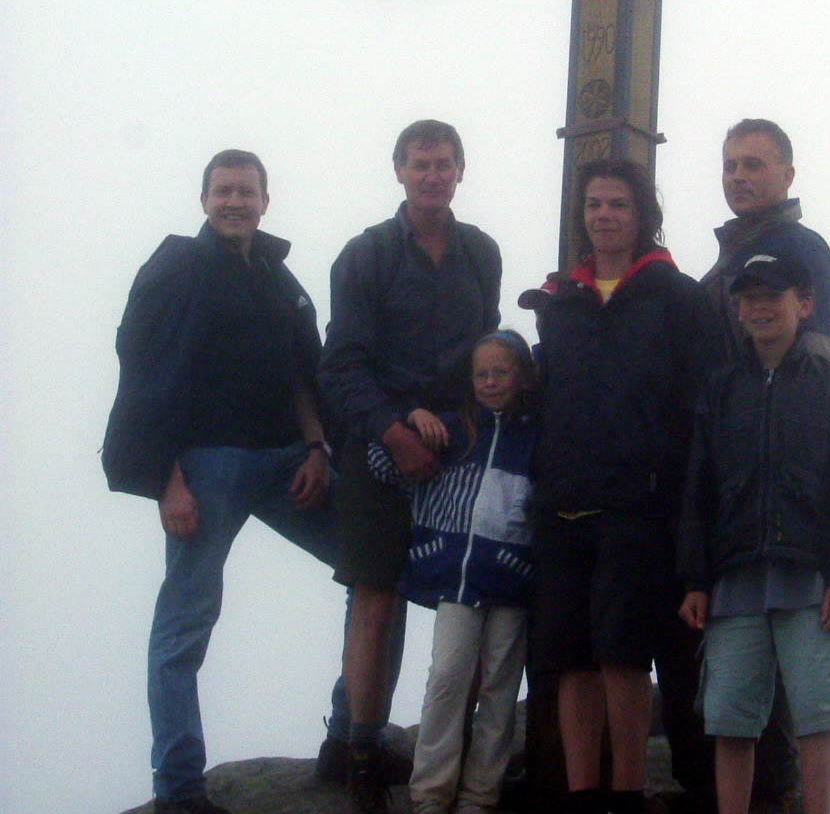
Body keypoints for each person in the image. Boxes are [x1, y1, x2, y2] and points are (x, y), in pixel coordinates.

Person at [102, 149, 339, 814]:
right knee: (184, 626)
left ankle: (354, 737)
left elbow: (302, 371)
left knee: (372, 564)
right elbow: (142, 370)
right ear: (204, 199)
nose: (235, 202)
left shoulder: (276, 275)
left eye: (246, 192)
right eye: (224, 191)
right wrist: (166, 481)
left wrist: (317, 447)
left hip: (287, 460)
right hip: (207, 467)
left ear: (266, 201)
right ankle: (179, 790)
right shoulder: (177, 266)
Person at [521, 159, 719, 814]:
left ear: (642, 217)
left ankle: (628, 791)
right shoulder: (561, 301)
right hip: (561, 501)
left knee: (624, 653)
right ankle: (583, 794)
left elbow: (699, 405)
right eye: (595, 204)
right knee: (570, 657)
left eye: (618, 204)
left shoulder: (676, 296)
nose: (604, 215)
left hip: (638, 503)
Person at [319, 119, 501, 814]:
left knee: (469, 599)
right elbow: (342, 364)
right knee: (375, 598)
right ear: (399, 170)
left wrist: (460, 421)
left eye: (444, 164)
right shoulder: (365, 255)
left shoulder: (480, 252)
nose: (433, 176)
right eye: (421, 164)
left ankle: (458, 752)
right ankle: (363, 755)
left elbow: (484, 351)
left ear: (461, 171)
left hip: (457, 445)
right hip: (378, 441)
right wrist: (395, 429)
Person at [677, 253, 830, 814]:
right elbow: (698, 487)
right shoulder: (722, 389)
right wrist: (695, 579)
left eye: (772, 295)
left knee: (819, 713)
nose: (759, 307)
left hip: (809, 577)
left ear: (805, 304)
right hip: (734, 577)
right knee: (730, 719)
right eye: (749, 298)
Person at [366, 330, 539, 814]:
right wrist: (409, 421)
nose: (489, 382)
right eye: (481, 374)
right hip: (456, 581)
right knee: (446, 679)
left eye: (500, 372)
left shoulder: (537, 438)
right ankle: (429, 795)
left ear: (523, 377)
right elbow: (379, 461)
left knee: (500, 686)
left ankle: (479, 797)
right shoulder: (451, 430)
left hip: (512, 577)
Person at [702, 118, 830, 362]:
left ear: (787, 177)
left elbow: (819, 363)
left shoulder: (804, 249)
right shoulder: (735, 251)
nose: (737, 176)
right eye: (730, 167)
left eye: (752, 165)